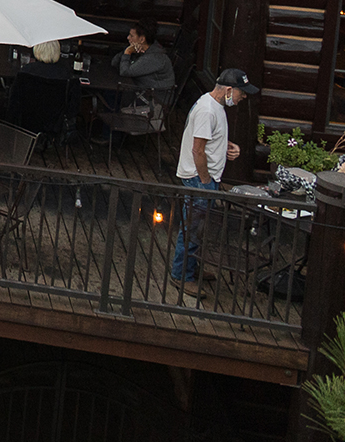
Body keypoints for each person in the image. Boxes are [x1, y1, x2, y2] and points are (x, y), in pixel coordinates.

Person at [171, 67, 260, 293]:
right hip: (198, 179)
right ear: (229, 90)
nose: (243, 98)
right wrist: (205, 180)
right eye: (242, 93)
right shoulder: (207, 111)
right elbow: (198, 150)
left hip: (204, 178)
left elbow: (208, 143)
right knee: (191, 229)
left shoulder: (215, 106)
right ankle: (181, 275)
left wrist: (225, 148)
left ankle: (192, 267)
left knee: (198, 228)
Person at [90, 23, 176, 142]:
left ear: (142, 39)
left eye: (131, 36)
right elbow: (115, 62)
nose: (128, 38)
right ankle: (105, 128)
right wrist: (128, 50)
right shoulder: (142, 51)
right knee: (110, 93)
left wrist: (127, 53)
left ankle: (111, 136)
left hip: (154, 100)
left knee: (112, 94)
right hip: (143, 91)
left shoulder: (153, 58)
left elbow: (124, 71)